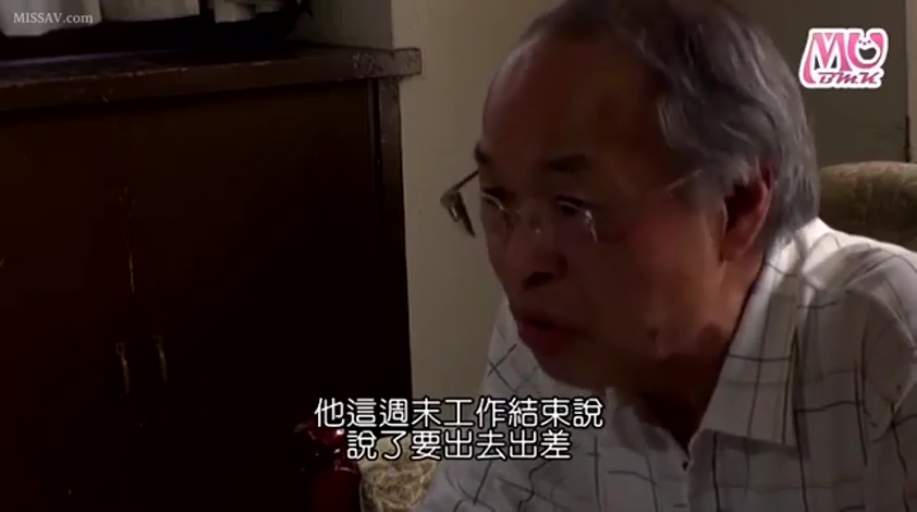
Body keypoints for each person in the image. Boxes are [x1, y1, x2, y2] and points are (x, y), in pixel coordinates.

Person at [416, 0, 917, 510]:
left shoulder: (890, 339)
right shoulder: (543, 334)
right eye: (497, 197)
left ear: (737, 203)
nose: (522, 265)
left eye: (572, 206)